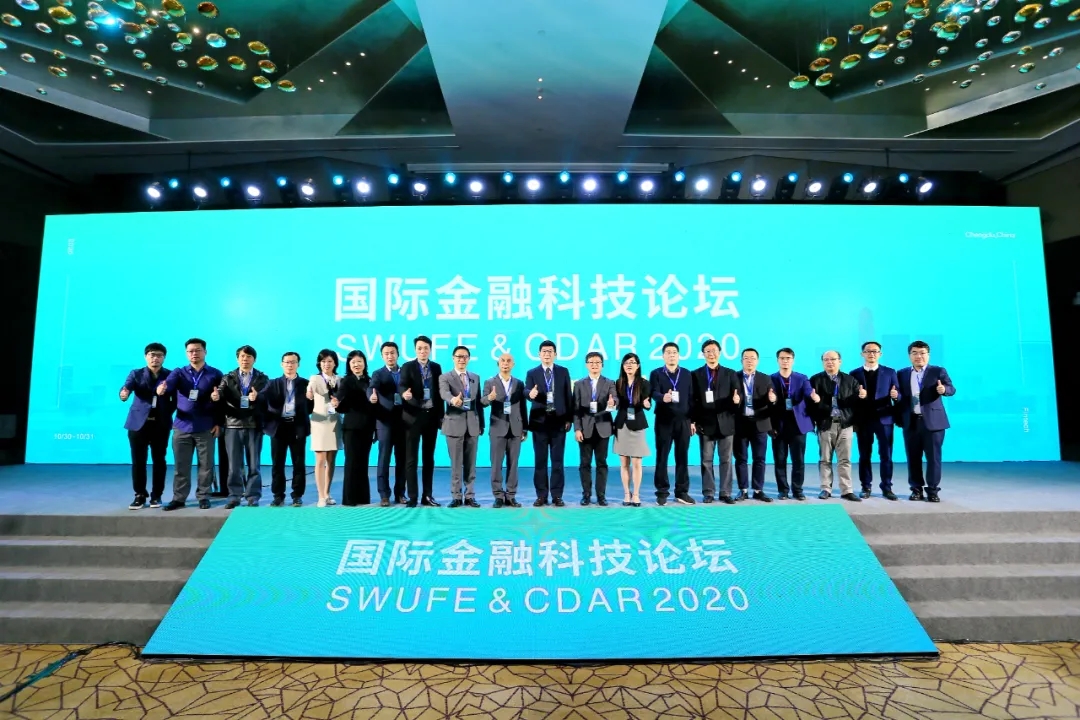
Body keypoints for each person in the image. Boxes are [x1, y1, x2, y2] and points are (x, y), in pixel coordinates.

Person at [157, 338, 223, 511]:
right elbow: (168, 385)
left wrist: (218, 421)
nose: (194, 354)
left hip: (206, 426)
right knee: (181, 466)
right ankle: (179, 498)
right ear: (186, 353)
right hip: (182, 426)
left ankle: (203, 496)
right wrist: (162, 389)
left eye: (198, 350)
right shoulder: (179, 372)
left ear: (205, 352)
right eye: (190, 351)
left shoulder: (215, 374)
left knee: (206, 465)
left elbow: (222, 400)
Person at [894, 340, 955, 503]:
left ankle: (933, 490)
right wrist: (896, 396)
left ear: (928, 355)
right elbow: (900, 395)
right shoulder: (902, 373)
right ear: (909, 356)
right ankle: (916, 489)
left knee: (933, 458)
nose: (918, 356)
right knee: (913, 457)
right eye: (914, 353)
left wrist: (944, 390)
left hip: (933, 423)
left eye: (922, 353)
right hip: (911, 421)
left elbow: (951, 388)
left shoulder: (938, 371)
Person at [120, 342, 175, 509]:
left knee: (159, 460)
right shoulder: (136, 374)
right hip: (138, 424)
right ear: (146, 357)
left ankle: (157, 495)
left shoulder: (170, 375)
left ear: (164, 358)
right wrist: (124, 394)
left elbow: (176, 399)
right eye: (152, 355)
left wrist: (167, 411)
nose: (155, 358)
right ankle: (139, 495)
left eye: (159, 355)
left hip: (160, 424)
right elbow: (126, 388)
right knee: (138, 461)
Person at [214, 345, 270, 509]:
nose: (245, 359)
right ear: (237, 359)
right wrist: (216, 395)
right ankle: (234, 496)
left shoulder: (262, 378)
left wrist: (258, 397)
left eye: (249, 357)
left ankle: (253, 496)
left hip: (253, 425)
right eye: (242, 356)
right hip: (233, 425)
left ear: (254, 359)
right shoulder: (228, 377)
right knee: (234, 465)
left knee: (254, 465)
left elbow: (267, 398)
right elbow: (221, 392)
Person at [806, 350, 864, 502]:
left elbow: (856, 405)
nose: (829, 362)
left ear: (840, 361)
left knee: (845, 459)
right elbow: (809, 406)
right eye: (826, 360)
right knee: (825, 459)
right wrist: (817, 402)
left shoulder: (850, 380)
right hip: (826, 424)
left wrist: (861, 396)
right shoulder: (815, 380)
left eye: (833, 359)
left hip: (846, 424)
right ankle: (825, 488)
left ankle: (847, 490)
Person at [525, 339, 573, 507]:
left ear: (555, 354)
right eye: (544, 351)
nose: (547, 354)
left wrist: (569, 418)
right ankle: (541, 495)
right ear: (539, 354)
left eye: (550, 351)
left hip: (559, 422)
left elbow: (568, 396)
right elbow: (527, 390)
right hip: (539, 422)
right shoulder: (532, 373)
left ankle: (557, 495)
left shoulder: (563, 371)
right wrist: (529, 394)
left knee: (558, 461)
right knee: (540, 461)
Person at [850, 341, 900, 500]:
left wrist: (896, 396)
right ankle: (866, 486)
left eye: (875, 351)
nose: (871, 354)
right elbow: (849, 398)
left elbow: (899, 394)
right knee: (864, 455)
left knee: (886, 455)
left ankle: (887, 487)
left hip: (884, 419)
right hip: (863, 420)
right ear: (862, 354)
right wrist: (858, 396)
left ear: (880, 354)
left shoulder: (890, 372)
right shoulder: (854, 374)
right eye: (868, 351)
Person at [691, 339, 739, 504]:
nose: (711, 354)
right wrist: (693, 421)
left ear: (720, 352)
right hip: (705, 423)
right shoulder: (696, 375)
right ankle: (709, 492)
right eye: (708, 351)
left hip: (726, 422)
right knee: (706, 460)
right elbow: (693, 401)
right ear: (703, 354)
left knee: (726, 460)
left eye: (714, 351)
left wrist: (737, 400)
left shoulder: (730, 373)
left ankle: (725, 492)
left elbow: (737, 396)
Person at [398, 335, 444, 507]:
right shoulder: (408, 366)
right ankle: (413, 497)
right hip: (412, 417)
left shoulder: (436, 367)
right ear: (415, 350)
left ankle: (427, 495)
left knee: (428, 459)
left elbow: (439, 394)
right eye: (419, 348)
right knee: (411, 459)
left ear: (430, 349)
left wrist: (441, 416)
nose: (423, 351)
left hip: (431, 417)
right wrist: (404, 394)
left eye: (426, 348)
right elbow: (402, 385)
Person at [261, 352, 310, 507]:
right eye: (287, 362)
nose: (290, 365)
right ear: (282, 364)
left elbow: (311, 406)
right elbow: (262, 399)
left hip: (297, 426)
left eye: (293, 362)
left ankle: (297, 495)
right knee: (277, 464)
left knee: (299, 463)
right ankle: (278, 496)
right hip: (278, 427)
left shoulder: (305, 384)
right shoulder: (272, 383)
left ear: (298, 365)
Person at [650, 342, 696, 506]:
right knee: (662, 456)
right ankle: (662, 492)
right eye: (668, 352)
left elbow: (692, 398)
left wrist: (692, 420)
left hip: (683, 421)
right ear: (663, 356)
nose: (671, 355)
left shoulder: (687, 374)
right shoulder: (656, 373)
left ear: (678, 355)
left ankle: (682, 492)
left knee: (682, 456)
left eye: (674, 352)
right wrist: (663, 397)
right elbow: (653, 392)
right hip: (664, 420)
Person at [440, 346, 484, 507]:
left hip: (472, 425)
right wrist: (453, 399)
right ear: (453, 358)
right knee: (456, 464)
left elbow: (478, 403)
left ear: (469, 359)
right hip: (454, 424)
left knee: (471, 464)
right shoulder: (445, 377)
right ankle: (456, 496)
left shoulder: (475, 377)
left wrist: (481, 424)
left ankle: (470, 495)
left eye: (465, 357)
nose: (462, 359)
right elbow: (444, 393)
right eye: (459, 356)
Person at [481, 353, 527, 508]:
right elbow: (482, 402)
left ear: (513, 364)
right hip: (497, 428)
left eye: (508, 361)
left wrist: (525, 428)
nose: (505, 363)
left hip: (516, 428)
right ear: (498, 364)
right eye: (502, 361)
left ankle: (511, 495)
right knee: (496, 464)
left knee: (513, 464)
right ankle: (498, 496)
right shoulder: (490, 382)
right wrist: (490, 398)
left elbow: (522, 407)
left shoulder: (519, 383)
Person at [733, 348, 778, 502]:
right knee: (741, 458)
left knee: (759, 458)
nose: (749, 361)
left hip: (760, 424)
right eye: (746, 358)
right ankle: (743, 490)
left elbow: (773, 401)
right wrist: (735, 402)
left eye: (753, 358)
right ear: (741, 361)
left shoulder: (766, 378)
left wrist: (773, 400)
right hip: (740, 423)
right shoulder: (734, 377)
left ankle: (758, 490)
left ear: (757, 361)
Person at [572, 352, 617, 506]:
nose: (594, 365)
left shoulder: (609, 383)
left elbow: (615, 398)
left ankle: (601, 496)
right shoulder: (579, 384)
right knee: (584, 464)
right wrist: (577, 429)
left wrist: (613, 403)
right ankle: (586, 495)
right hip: (585, 429)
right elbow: (576, 409)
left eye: (597, 362)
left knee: (601, 463)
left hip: (603, 428)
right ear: (586, 365)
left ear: (602, 365)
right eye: (591, 362)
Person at [770, 347, 814, 501]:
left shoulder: (802, 378)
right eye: (782, 358)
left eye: (788, 358)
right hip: (778, 425)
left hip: (798, 425)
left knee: (798, 460)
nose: (785, 361)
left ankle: (797, 490)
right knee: (779, 460)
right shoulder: (771, 379)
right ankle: (783, 490)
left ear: (793, 360)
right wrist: (771, 400)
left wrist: (812, 396)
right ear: (778, 360)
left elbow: (808, 393)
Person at [368, 341, 407, 506]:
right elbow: (372, 388)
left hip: (404, 421)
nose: (390, 356)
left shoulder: (406, 371)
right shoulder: (378, 373)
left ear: (398, 354)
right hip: (385, 421)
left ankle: (400, 493)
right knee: (384, 459)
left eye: (392, 353)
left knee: (402, 460)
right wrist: (371, 396)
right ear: (382, 356)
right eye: (386, 353)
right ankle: (384, 494)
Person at [335, 350, 376, 506]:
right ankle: (349, 499)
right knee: (351, 462)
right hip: (351, 427)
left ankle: (363, 497)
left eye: (359, 361)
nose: (356, 365)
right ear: (349, 365)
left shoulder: (370, 381)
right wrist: (336, 401)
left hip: (368, 427)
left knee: (363, 462)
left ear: (364, 363)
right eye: (353, 362)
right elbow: (340, 398)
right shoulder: (346, 381)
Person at [613, 353, 652, 506]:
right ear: (623, 366)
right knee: (624, 463)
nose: (629, 365)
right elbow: (616, 403)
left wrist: (647, 404)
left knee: (636, 463)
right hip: (622, 425)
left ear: (638, 365)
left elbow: (647, 402)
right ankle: (626, 494)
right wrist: (611, 403)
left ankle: (636, 494)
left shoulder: (644, 383)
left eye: (632, 362)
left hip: (637, 425)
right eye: (626, 363)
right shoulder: (618, 383)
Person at [307, 349, 343, 507]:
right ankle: (320, 496)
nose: (326, 364)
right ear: (319, 363)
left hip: (335, 421)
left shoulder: (340, 379)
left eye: (329, 361)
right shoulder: (315, 378)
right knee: (320, 459)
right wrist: (309, 393)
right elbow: (309, 393)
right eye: (323, 361)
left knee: (331, 459)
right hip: (320, 422)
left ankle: (327, 493)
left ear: (335, 363)